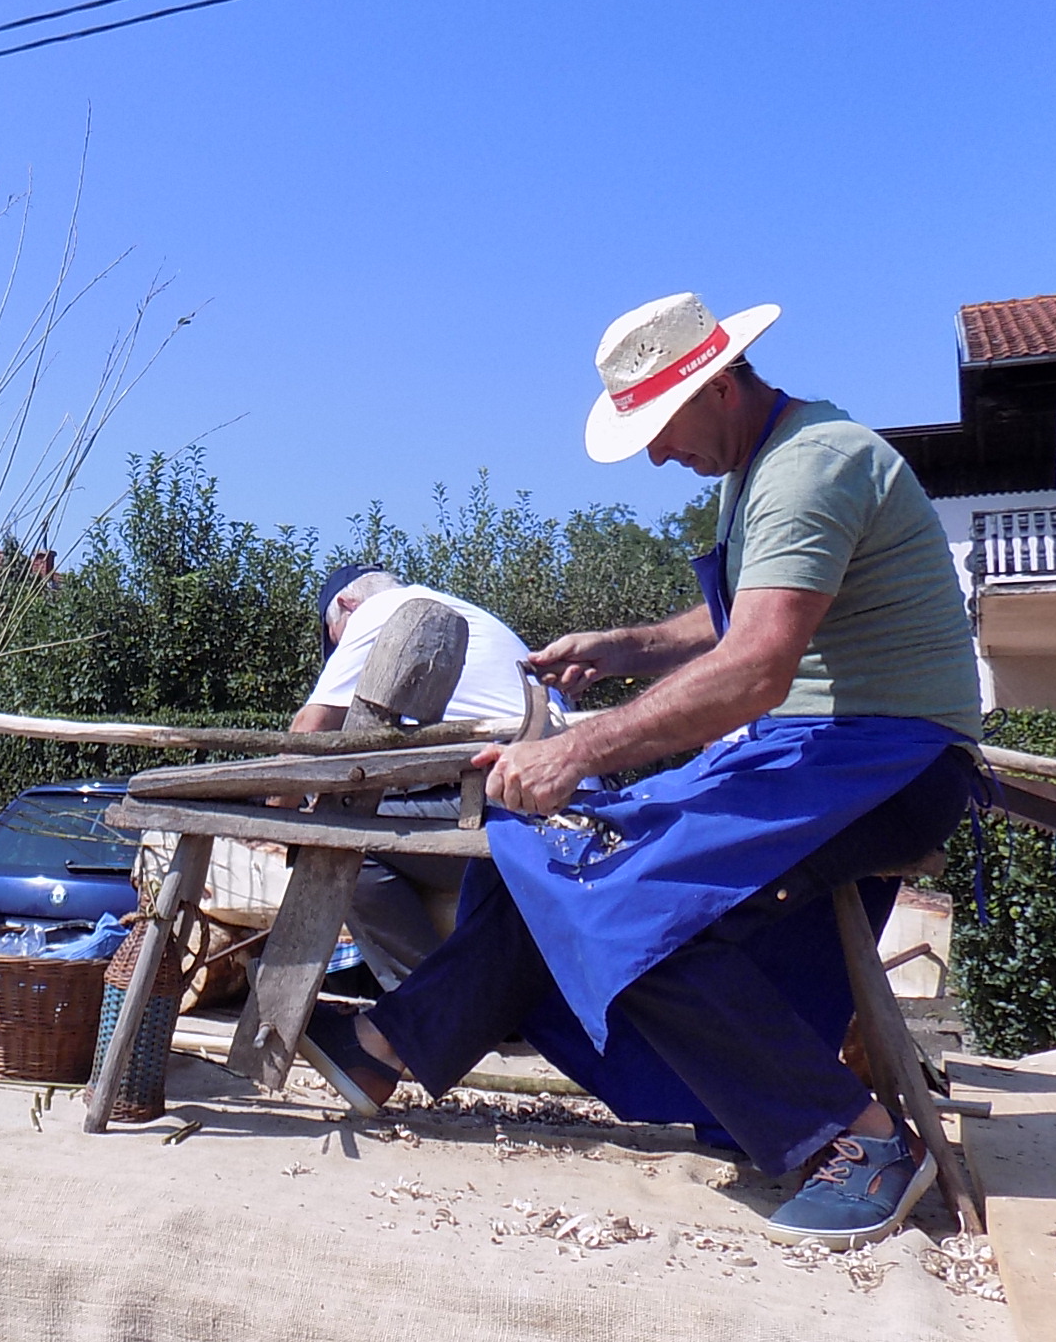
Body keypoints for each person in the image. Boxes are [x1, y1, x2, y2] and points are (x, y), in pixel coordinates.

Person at [297, 292, 983, 1250]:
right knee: (552, 854)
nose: (657, 455)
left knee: (619, 893)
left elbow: (756, 666)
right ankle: (384, 1045)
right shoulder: (764, 467)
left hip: (887, 761)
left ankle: (858, 1144)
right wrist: (627, 647)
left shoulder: (810, 467)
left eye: (658, 429)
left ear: (719, 387)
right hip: (820, 749)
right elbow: (742, 618)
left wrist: (575, 745)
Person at [292, 566, 533, 987]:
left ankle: (429, 1005)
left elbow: (309, 732)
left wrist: (278, 812)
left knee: (339, 838)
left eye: (336, 639)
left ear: (347, 606)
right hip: (544, 795)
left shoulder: (381, 611)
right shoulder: (465, 615)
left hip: (509, 808)